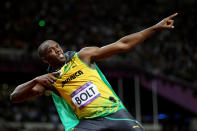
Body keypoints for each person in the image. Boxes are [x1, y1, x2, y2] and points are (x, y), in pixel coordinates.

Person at [10, 13, 178, 131]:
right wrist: (35, 80)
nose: (59, 51)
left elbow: (122, 45)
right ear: (45, 59)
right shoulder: (50, 80)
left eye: (58, 47)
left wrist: (154, 28)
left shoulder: (83, 56)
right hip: (89, 123)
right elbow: (15, 97)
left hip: (114, 112)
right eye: (52, 51)